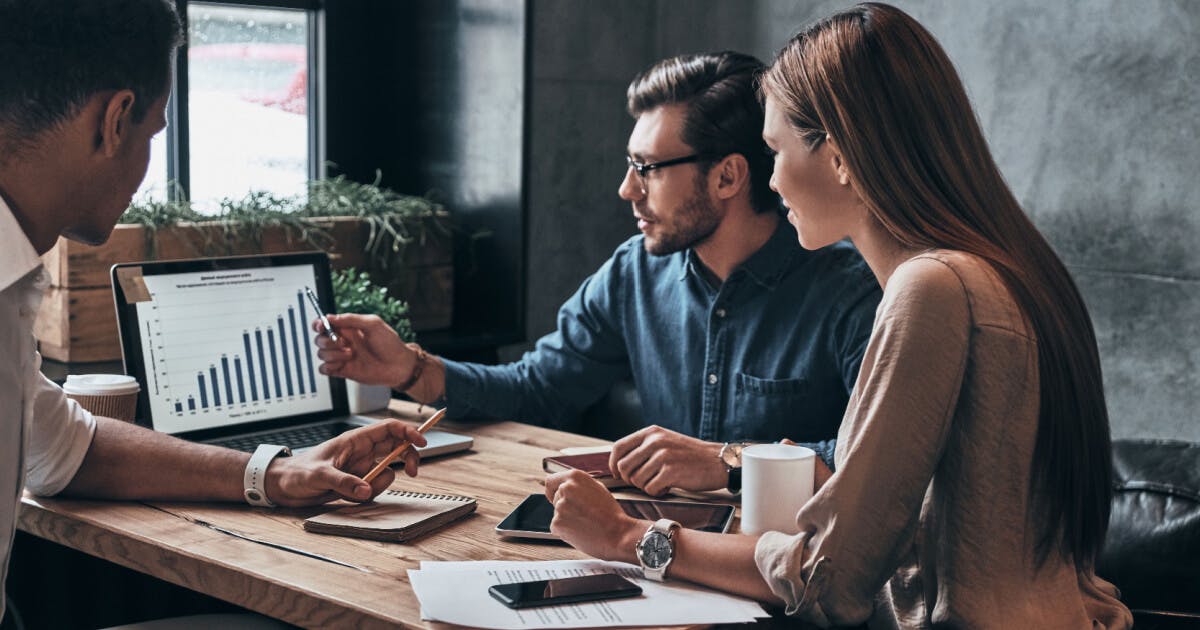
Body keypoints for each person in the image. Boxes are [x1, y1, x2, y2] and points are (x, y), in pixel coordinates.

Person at [543, 4, 1134, 628]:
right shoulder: (1008, 268)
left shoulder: (931, 288)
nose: (769, 183)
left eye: (775, 151)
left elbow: (828, 580)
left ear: (842, 154)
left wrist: (627, 537)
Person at [0, 1, 426, 623]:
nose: (146, 170)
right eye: (151, 134)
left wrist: (277, 473)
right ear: (115, 120)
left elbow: (64, 447)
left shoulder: (12, 284)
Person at [316, 51, 881, 496]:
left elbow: (874, 464)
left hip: (785, 578)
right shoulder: (633, 273)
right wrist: (410, 367)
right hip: (655, 556)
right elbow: (539, 390)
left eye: (647, 169)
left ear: (728, 178)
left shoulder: (850, 293)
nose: (626, 189)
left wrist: (727, 461)